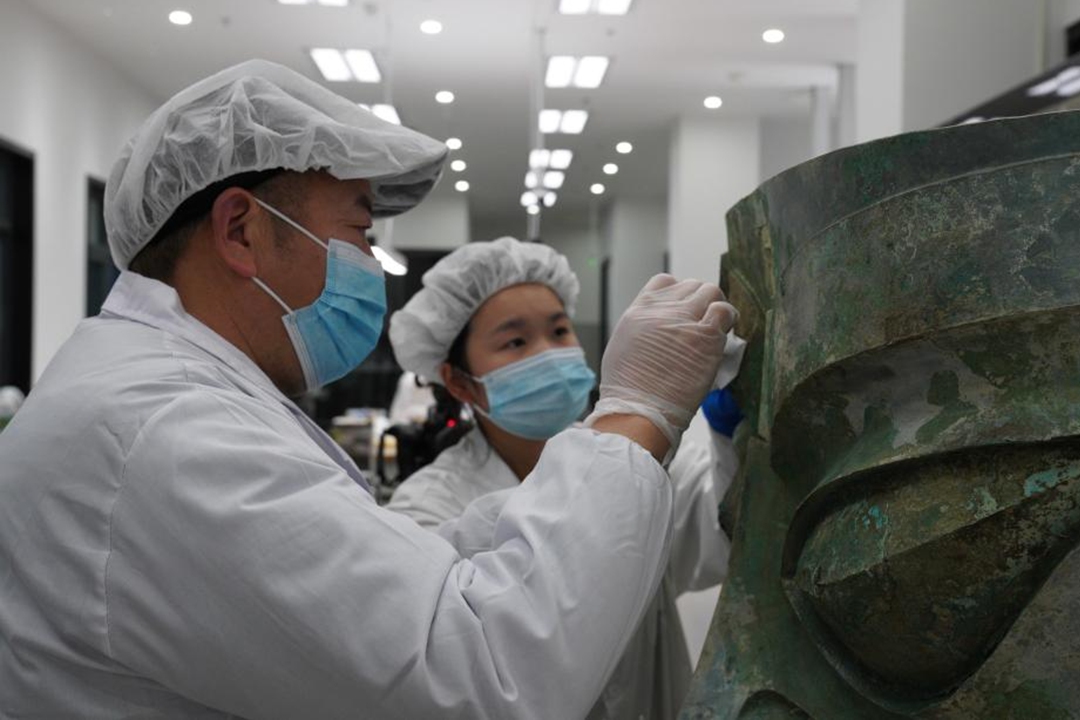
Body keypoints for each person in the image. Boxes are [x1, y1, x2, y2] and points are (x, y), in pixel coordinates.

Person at [0, 60, 736, 719]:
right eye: (357, 232)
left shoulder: (170, 398)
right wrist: (637, 410)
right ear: (240, 231)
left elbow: (422, 576)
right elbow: (481, 678)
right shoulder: (165, 428)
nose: (370, 267)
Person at [387, 237, 742, 719]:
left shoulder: (646, 461)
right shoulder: (425, 509)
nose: (549, 353)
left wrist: (732, 434)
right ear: (460, 382)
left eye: (559, 331)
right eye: (515, 341)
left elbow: (722, 531)